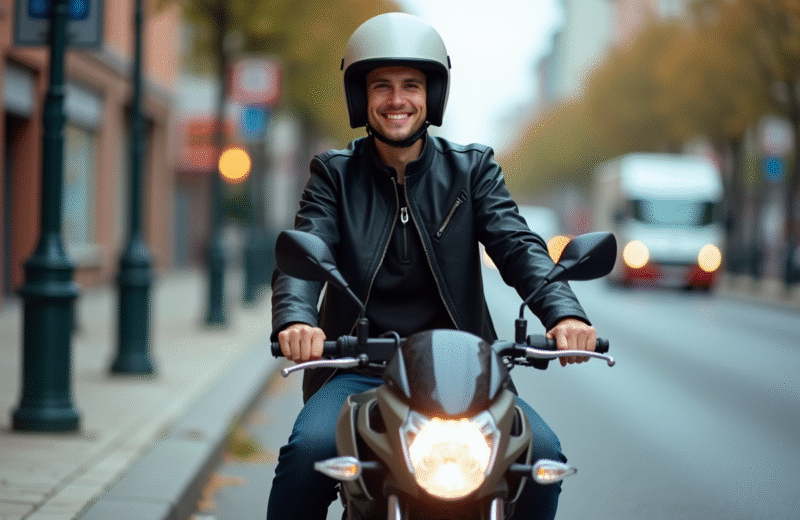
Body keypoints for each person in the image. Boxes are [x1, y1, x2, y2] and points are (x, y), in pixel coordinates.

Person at [267, 12, 597, 520]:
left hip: (465, 374)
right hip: (360, 370)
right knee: (308, 452)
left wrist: (564, 314)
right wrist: (296, 318)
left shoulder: (473, 169)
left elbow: (517, 245)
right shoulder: (333, 175)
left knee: (543, 457)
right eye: (382, 86)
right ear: (361, 95)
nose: (396, 99)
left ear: (431, 94)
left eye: (411, 85)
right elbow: (305, 251)